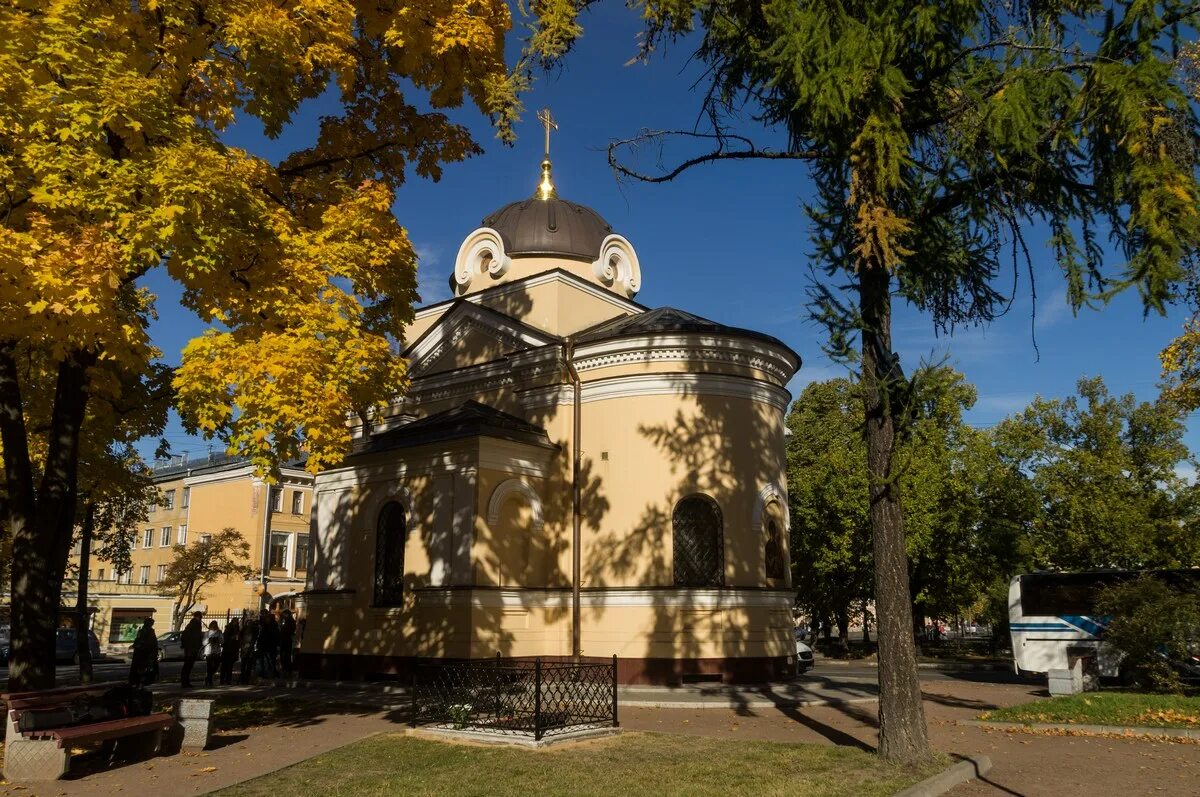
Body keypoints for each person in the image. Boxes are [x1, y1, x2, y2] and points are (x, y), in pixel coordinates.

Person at [128, 618, 158, 687]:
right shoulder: (149, 631)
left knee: (138, 668)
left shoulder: (141, 631)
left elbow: (137, 642)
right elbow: (152, 642)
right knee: (143, 668)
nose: (152, 625)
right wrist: (153, 651)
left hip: (140, 652)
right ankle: (141, 681)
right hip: (145, 653)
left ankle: (137, 681)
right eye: (151, 623)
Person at [179, 612, 203, 688]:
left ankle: (186, 682)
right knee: (188, 665)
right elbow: (187, 636)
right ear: (197, 617)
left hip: (192, 648)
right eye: (200, 617)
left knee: (188, 665)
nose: (201, 618)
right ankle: (184, 682)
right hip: (191, 648)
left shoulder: (194, 624)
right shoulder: (194, 624)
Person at [256, 610, 280, 679]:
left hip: (270, 645)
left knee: (271, 660)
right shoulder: (264, 624)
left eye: (263, 614)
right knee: (263, 660)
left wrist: (277, 644)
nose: (263, 616)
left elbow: (275, 635)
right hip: (263, 645)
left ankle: (272, 673)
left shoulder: (272, 625)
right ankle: (264, 673)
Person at [220, 617, 241, 686]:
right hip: (228, 649)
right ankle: (223, 680)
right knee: (225, 666)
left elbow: (237, 639)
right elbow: (225, 638)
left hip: (232, 649)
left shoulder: (236, 628)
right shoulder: (229, 628)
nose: (237, 623)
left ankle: (227, 680)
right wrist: (232, 638)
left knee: (229, 666)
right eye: (236, 621)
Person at [238, 616, 259, 684]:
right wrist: (242, 646)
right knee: (243, 663)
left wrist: (251, 644)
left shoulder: (254, 631)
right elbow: (240, 639)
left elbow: (254, 639)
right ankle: (243, 677)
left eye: (250, 623)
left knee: (249, 663)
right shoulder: (243, 631)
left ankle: (247, 677)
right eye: (248, 623)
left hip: (250, 648)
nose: (249, 624)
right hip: (244, 648)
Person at [202, 620, 222, 687]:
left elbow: (222, 641)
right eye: (213, 625)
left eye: (215, 625)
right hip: (209, 652)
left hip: (217, 651)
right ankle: (210, 681)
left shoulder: (219, 632)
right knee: (209, 667)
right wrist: (209, 640)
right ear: (210, 625)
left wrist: (218, 639)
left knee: (216, 665)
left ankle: (208, 678)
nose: (214, 626)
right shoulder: (207, 633)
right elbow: (203, 643)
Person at [278, 610, 296, 677]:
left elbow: (289, 631)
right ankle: (285, 670)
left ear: (287, 614)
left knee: (286, 656)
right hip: (284, 640)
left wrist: (282, 629)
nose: (283, 616)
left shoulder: (290, 621)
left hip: (286, 640)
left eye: (284, 615)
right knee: (283, 656)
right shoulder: (286, 621)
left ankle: (287, 670)